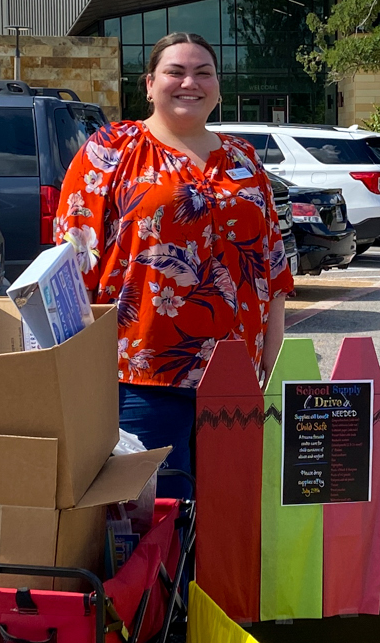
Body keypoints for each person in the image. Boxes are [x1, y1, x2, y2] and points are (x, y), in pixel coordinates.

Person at [52, 32, 293, 493]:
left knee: (231, 513)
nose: (190, 83)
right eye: (175, 72)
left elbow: (271, 262)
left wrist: (273, 353)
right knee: (158, 517)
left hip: (235, 370)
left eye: (203, 73)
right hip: (143, 374)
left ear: (218, 87)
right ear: (149, 84)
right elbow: (73, 263)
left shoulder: (242, 159)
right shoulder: (110, 152)